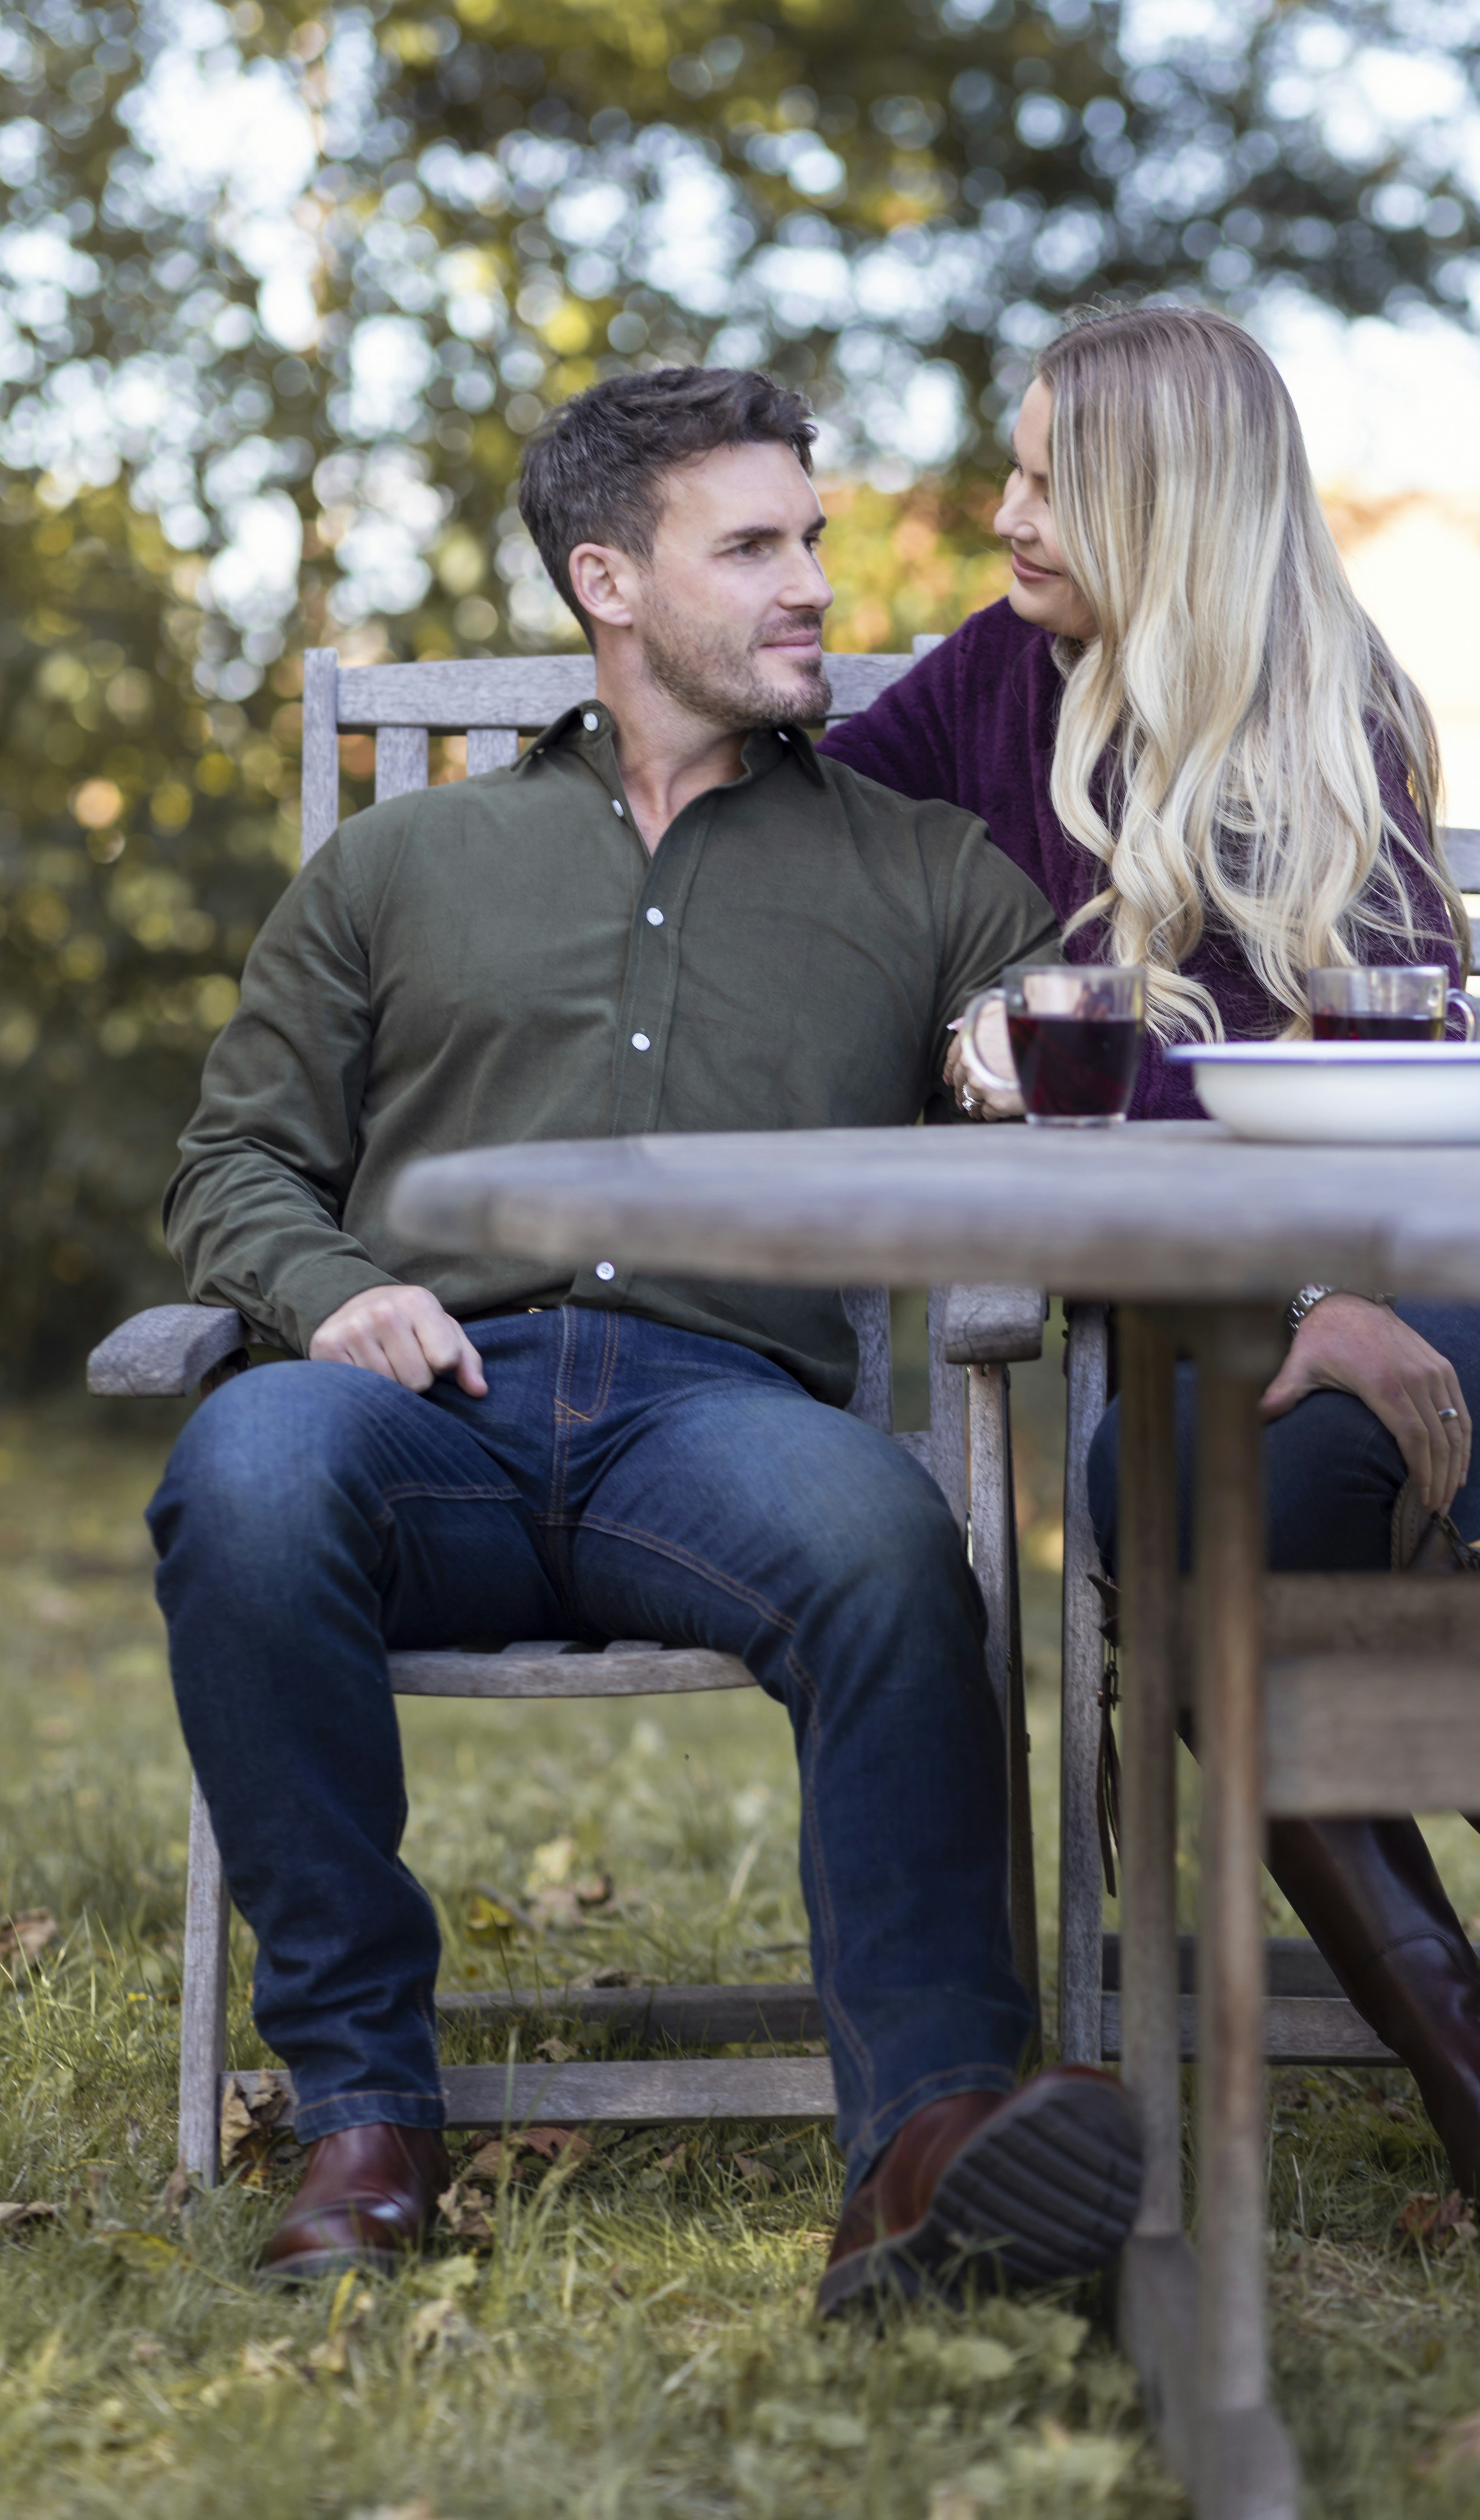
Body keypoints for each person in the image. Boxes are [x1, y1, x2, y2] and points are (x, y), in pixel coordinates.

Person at [147, 365, 1146, 2303]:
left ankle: (931, 2148)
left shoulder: (919, 866)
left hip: (723, 1420)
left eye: (812, 542)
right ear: (609, 579)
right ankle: (364, 2107)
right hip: (422, 1397)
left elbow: (1056, 1046)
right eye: (753, 547)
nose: (812, 592)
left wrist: (1007, 1048)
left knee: (884, 1538)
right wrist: (332, 1290)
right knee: (243, 1468)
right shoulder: (400, 865)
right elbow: (235, 1160)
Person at [823, 306, 1480, 2233]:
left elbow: (1390, 1093)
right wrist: (968, 1032)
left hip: (1447, 1306)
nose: (1006, 508)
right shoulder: (989, 687)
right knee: (1202, 1513)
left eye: (1049, 475)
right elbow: (820, 865)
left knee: (1192, 1529)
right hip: (1230, 1345)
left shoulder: (1334, 711)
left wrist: (1324, 1295)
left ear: (1160, 499)